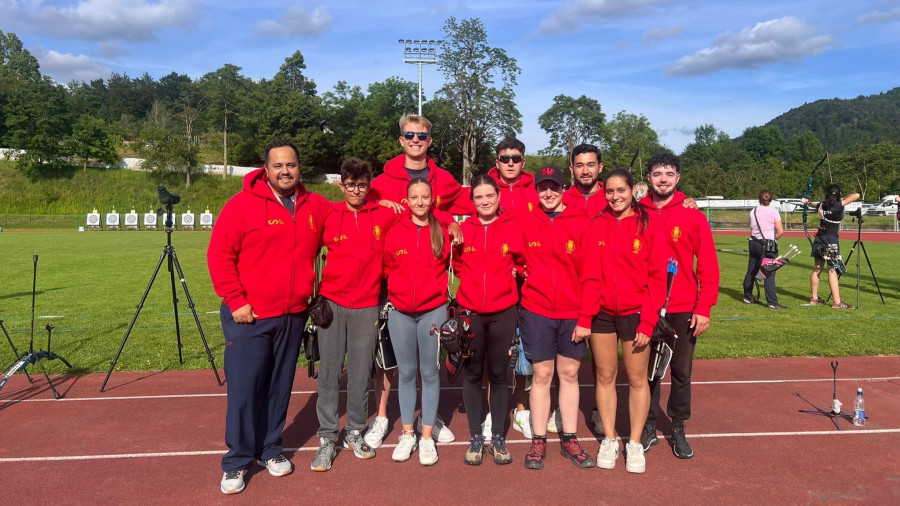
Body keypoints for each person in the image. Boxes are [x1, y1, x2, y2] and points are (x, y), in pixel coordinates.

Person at [208, 140, 331, 494]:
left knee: (279, 388)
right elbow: (219, 255)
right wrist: (236, 300)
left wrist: (382, 203)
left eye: (291, 165)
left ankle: (270, 449)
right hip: (250, 315)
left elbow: (348, 215)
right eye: (278, 165)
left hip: (292, 315)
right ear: (266, 169)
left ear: (299, 168)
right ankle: (237, 461)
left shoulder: (313, 205)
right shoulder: (241, 205)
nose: (285, 171)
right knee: (246, 390)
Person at [365, 114, 465, 449]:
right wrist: (379, 204)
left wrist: (451, 222)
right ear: (401, 139)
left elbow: (457, 205)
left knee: (425, 367)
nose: (415, 140)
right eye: (409, 135)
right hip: (394, 275)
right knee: (389, 358)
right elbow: (363, 206)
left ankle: (428, 418)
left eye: (421, 135)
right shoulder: (383, 178)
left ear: (430, 141)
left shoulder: (444, 177)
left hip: (429, 277)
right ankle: (383, 417)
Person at [310, 158, 399, 471]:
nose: (357, 190)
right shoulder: (328, 213)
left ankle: (354, 432)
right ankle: (326, 438)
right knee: (330, 373)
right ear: (341, 185)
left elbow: (417, 212)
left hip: (366, 305)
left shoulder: (384, 214)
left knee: (361, 372)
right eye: (351, 185)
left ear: (369, 185)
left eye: (362, 185)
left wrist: (385, 201)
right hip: (333, 303)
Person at [573, 169, 661, 474]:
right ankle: (610, 439)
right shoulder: (596, 225)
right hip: (601, 315)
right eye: (609, 191)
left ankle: (634, 443)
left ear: (633, 189)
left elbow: (657, 279)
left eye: (621, 190)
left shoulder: (647, 223)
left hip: (636, 314)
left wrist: (648, 322)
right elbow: (589, 276)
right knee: (605, 377)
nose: (615, 196)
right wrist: (585, 317)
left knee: (637, 379)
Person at [639, 152, 720, 460]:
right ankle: (646, 425)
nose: (663, 178)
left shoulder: (692, 215)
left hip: (683, 306)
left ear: (678, 179)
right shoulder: (637, 213)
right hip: (645, 306)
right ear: (649, 178)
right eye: (657, 173)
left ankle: (678, 428)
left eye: (669, 174)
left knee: (681, 372)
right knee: (648, 372)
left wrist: (704, 307)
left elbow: (708, 267)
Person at [519, 166, 594, 470]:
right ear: (536, 190)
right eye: (542, 188)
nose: (547, 193)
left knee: (569, 375)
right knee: (541, 376)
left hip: (572, 313)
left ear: (564, 189)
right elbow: (512, 253)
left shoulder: (581, 221)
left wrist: (586, 317)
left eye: (553, 187)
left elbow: (591, 274)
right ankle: (538, 440)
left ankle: (570, 438)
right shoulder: (527, 221)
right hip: (537, 311)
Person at [453, 174, 527, 465]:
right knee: (472, 375)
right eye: (479, 197)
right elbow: (457, 265)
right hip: (471, 312)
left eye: (490, 196)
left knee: (498, 375)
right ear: (472, 201)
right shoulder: (463, 228)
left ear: (499, 197)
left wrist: (513, 277)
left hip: (503, 312)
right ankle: (474, 436)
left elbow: (522, 263)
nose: (485, 202)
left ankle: (497, 437)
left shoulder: (512, 226)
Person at [383, 178, 452, 465]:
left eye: (425, 197)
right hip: (400, 312)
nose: (420, 202)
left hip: (432, 311)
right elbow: (387, 267)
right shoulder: (394, 232)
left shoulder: (443, 232)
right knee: (407, 373)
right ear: (407, 200)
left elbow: (455, 263)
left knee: (430, 373)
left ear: (431, 199)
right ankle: (407, 433)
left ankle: (426, 438)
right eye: (415, 197)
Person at [486, 137, 538, 438]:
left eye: (515, 158)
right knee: (494, 354)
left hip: (530, 282)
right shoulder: (484, 189)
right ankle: (493, 413)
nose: (509, 163)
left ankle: (521, 410)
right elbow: (439, 203)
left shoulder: (538, 190)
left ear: (523, 161)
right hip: (495, 280)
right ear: (497, 161)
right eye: (504, 158)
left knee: (523, 350)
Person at [802, 185, 860, 309]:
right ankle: (837, 302)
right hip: (831, 240)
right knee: (832, 269)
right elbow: (856, 195)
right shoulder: (838, 205)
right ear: (838, 195)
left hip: (819, 238)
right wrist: (841, 198)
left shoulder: (822, 205)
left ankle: (814, 298)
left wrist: (806, 201)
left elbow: (812, 204)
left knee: (817, 267)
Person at [742, 190, 785, 309]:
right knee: (770, 271)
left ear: (759, 199)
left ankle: (747, 296)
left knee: (752, 269)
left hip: (754, 242)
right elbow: (780, 231)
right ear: (770, 200)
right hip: (767, 244)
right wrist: (773, 239)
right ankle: (772, 302)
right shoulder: (773, 212)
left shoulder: (753, 211)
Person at [563, 143, 607, 218]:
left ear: (600, 167)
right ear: (572, 169)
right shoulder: (563, 200)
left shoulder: (611, 198)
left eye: (591, 165)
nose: (585, 171)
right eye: (579, 166)